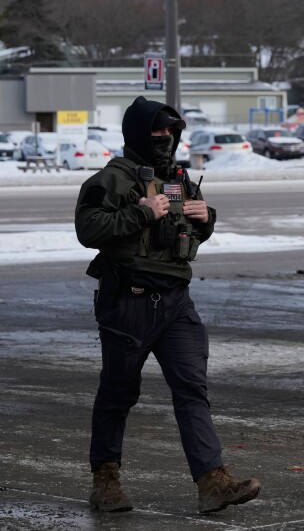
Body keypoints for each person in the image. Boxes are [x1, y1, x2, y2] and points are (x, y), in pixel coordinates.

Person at [74, 96, 261, 514]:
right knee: (118, 393)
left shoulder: (178, 178)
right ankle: (105, 480)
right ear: (138, 134)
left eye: (171, 132)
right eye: (157, 131)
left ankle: (213, 481)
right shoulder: (112, 180)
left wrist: (204, 216)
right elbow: (88, 229)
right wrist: (141, 213)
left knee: (192, 390)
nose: (165, 139)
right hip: (129, 302)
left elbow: (190, 229)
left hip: (177, 303)